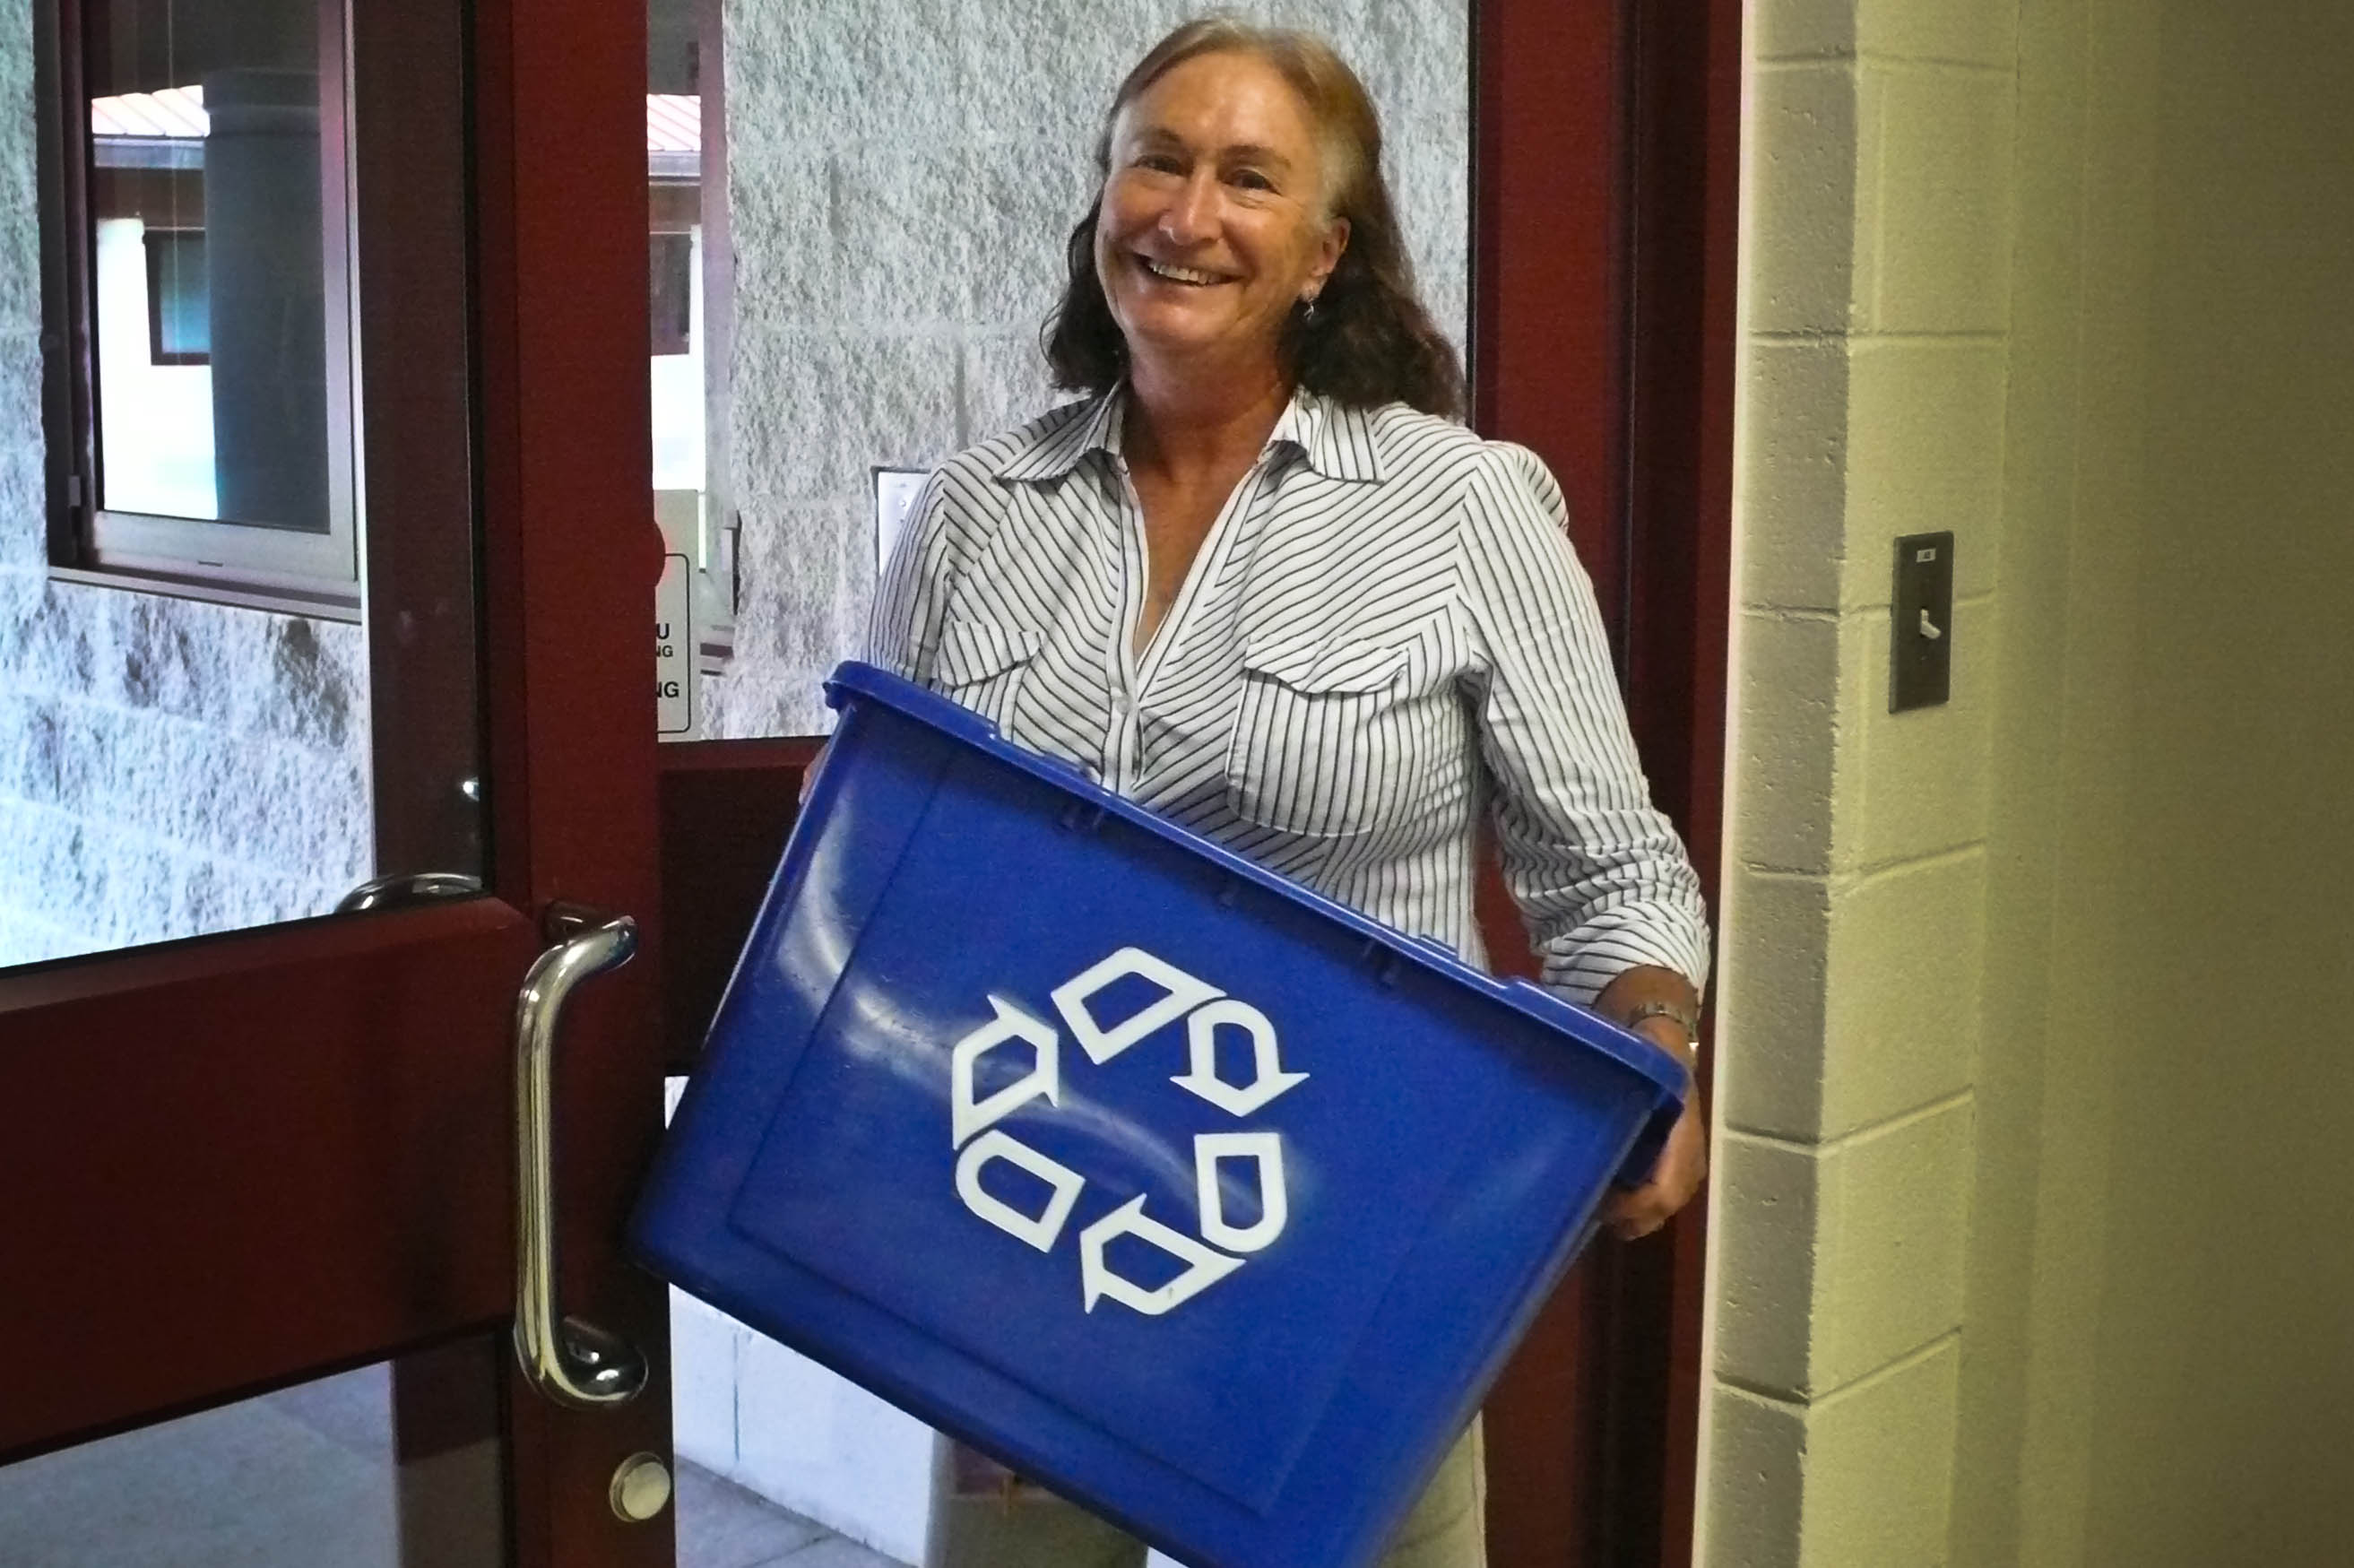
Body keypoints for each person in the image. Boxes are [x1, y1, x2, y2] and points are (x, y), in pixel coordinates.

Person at [864, 18, 1711, 1567]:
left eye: (1247, 178)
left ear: (1326, 250)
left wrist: (1652, 1044)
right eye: (1155, 163)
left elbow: (1605, 866)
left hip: (1345, 1227)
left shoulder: (1462, 506)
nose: (1187, 215)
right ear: (1102, 200)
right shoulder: (977, 512)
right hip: (1029, 1216)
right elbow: (888, 872)